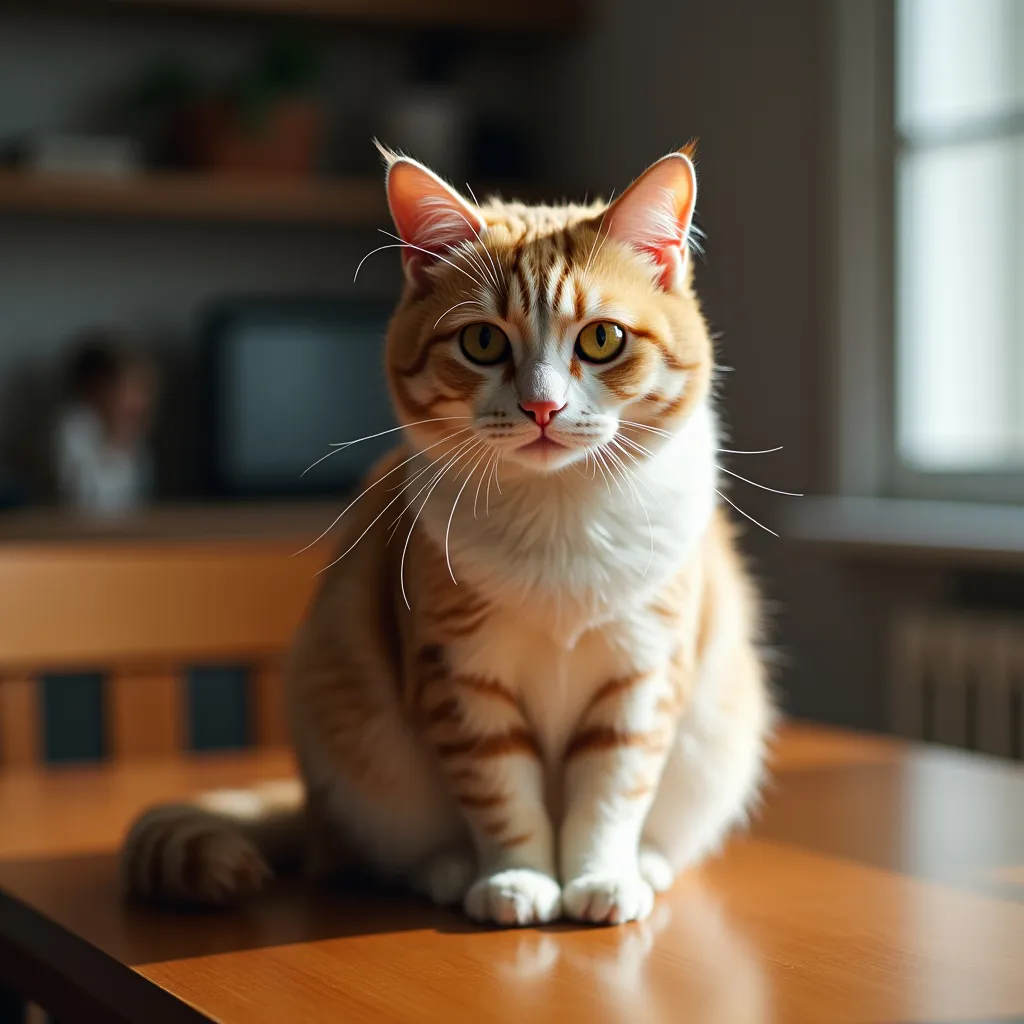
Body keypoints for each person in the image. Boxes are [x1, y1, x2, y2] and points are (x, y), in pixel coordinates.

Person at [54, 330, 157, 515]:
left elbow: (136, 503)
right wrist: (116, 443)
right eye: (134, 388)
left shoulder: (133, 435)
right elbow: (86, 502)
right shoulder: (74, 428)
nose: (142, 401)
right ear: (100, 387)